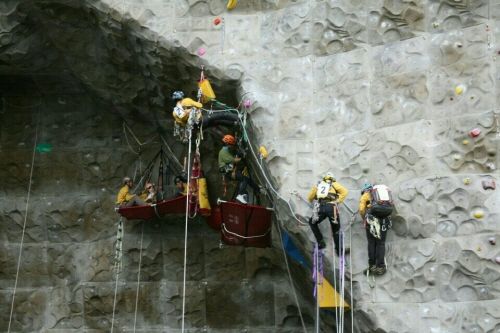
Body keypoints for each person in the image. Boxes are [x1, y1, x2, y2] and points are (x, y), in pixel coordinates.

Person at [307, 172, 348, 252]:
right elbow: (345, 192)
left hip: (321, 207)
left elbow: (309, 198)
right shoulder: (334, 183)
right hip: (331, 207)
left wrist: (317, 197)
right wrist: (338, 201)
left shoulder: (319, 184)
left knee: (312, 222)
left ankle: (321, 242)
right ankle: (339, 250)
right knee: (335, 228)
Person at [359, 183, 393, 276]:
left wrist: (364, 218)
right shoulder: (385, 195)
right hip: (384, 220)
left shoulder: (366, 195)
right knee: (381, 243)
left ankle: (372, 266)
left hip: (371, 220)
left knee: (371, 243)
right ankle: (381, 267)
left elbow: (361, 209)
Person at [218, 134, 260, 204]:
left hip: (230, 171)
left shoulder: (227, 151)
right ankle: (240, 195)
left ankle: (257, 189)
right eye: (231, 145)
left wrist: (234, 170)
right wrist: (242, 157)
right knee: (244, 179)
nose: (232, 146)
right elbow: (234, 160)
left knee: (247, 179)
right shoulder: (223, 152)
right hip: (227, 172)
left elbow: (233, 163)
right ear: (228, 144)